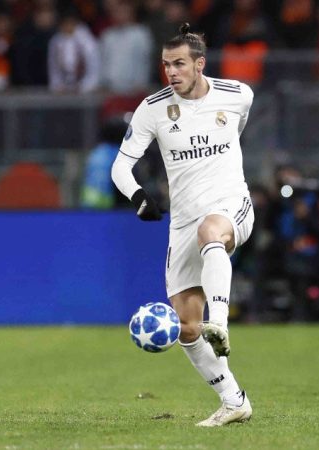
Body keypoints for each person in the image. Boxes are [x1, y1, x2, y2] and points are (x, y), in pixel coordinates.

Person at [111, 23, 253, 427]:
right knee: (187, 327)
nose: (171, 72)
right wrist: (139, 197)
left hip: (231, 205)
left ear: (199, 64)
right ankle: (234, 401)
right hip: (183, 220)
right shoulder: (153, 108)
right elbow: (121, 166)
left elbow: (236, 131)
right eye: (166, 65)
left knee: (212, 232)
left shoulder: (237, 95)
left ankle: (220, 322)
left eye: (178, 64)